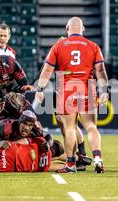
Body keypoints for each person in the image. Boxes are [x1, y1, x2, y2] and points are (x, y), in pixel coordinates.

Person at [35, 17, 109, 174]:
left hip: (67, 89)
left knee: (69, 128)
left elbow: (47, 70)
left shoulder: (59, 45)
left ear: (67, 29)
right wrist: (104, 90)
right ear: (83, 29)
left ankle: (70, 164)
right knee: (91, 126)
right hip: (87, 87)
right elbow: (100, 70)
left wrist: (40, 89)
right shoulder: (93, 46)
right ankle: (97, 157)